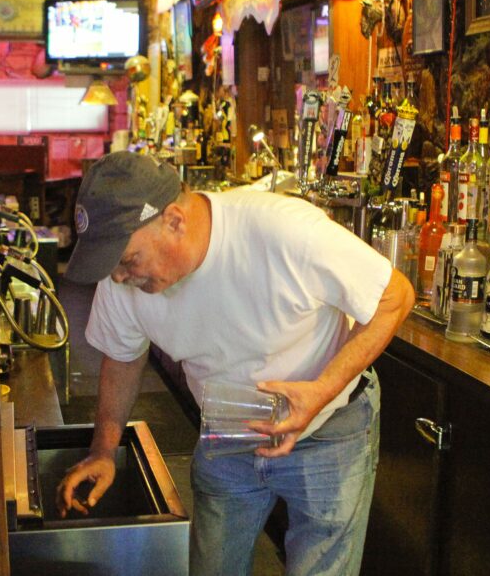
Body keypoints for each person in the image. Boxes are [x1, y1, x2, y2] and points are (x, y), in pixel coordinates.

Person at [56, 152, 414, 575]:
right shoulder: (123, 278)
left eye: (128, 260)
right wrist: (102, 450)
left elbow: (395, 296)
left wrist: (320, 392)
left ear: (173, 220)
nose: (118, 278)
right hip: (227, 432)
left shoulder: (283, 230)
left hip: (327, 432)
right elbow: (122, 356)